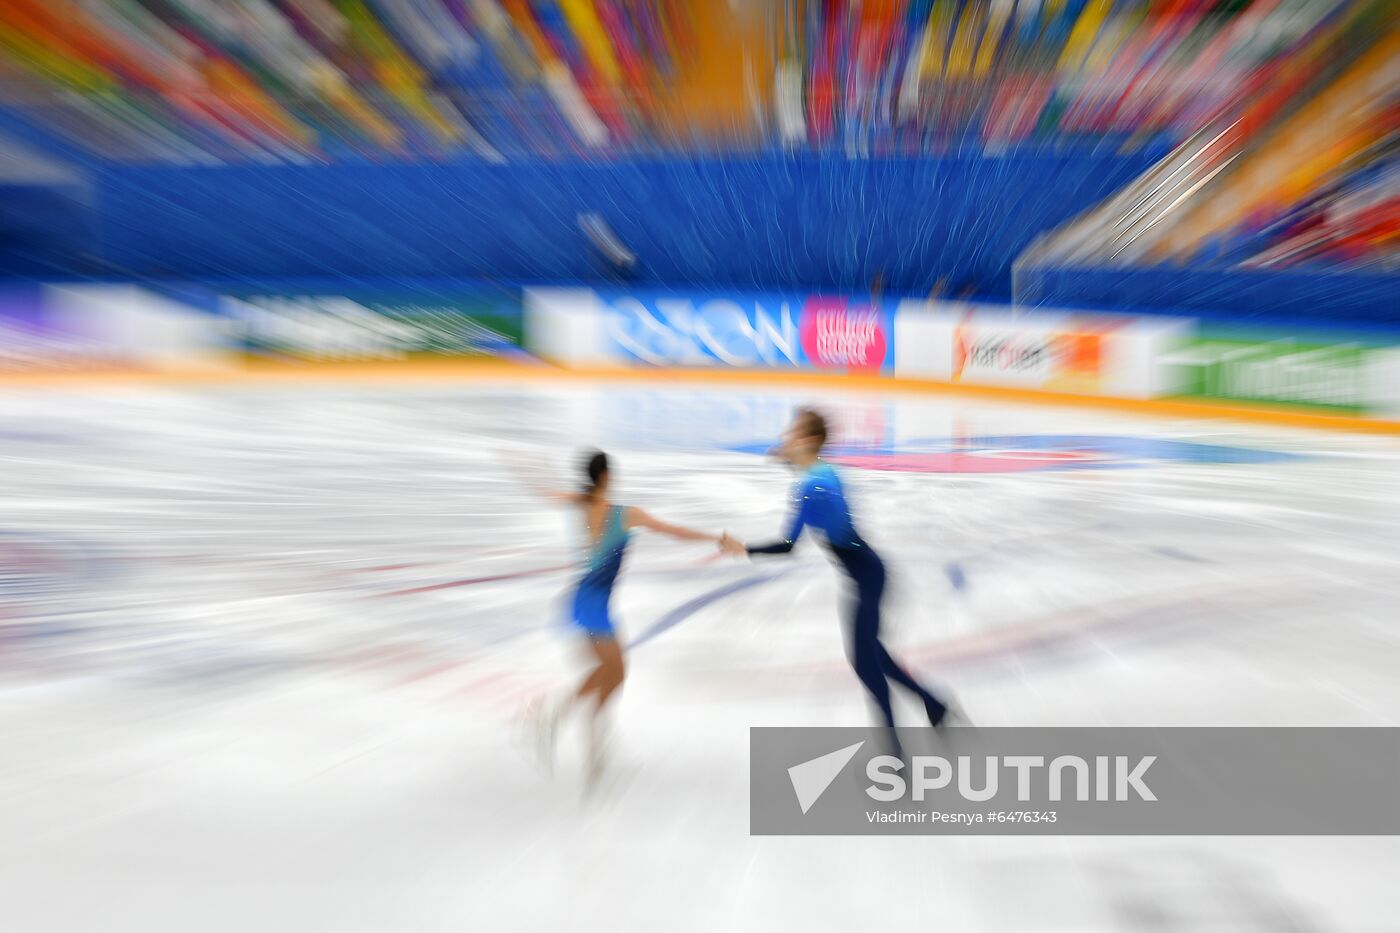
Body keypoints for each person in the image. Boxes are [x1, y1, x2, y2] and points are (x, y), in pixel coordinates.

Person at [722, 409, 954, 754]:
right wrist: (784, 457)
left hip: (867, 578)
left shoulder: (812, 485)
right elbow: (806, 475)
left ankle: (895, 754)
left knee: (866, 663)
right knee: (874, 654)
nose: (786, 439)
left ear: (811, 441)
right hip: (867, 573)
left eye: (792, 435)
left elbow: (788, 546)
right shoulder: (822, 471)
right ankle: (934, 705)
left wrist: (744, 549)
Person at [532, 450, 724, 780]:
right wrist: (717, 538)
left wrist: (537, 470)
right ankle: (585, 741)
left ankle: (559, 715)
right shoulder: (625, 514)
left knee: (613, 671)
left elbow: (554, 494)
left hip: (588, 600)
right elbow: (673, 530)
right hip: (590, 603)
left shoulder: (583, 503)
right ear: (607, 476)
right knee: (613, 670)